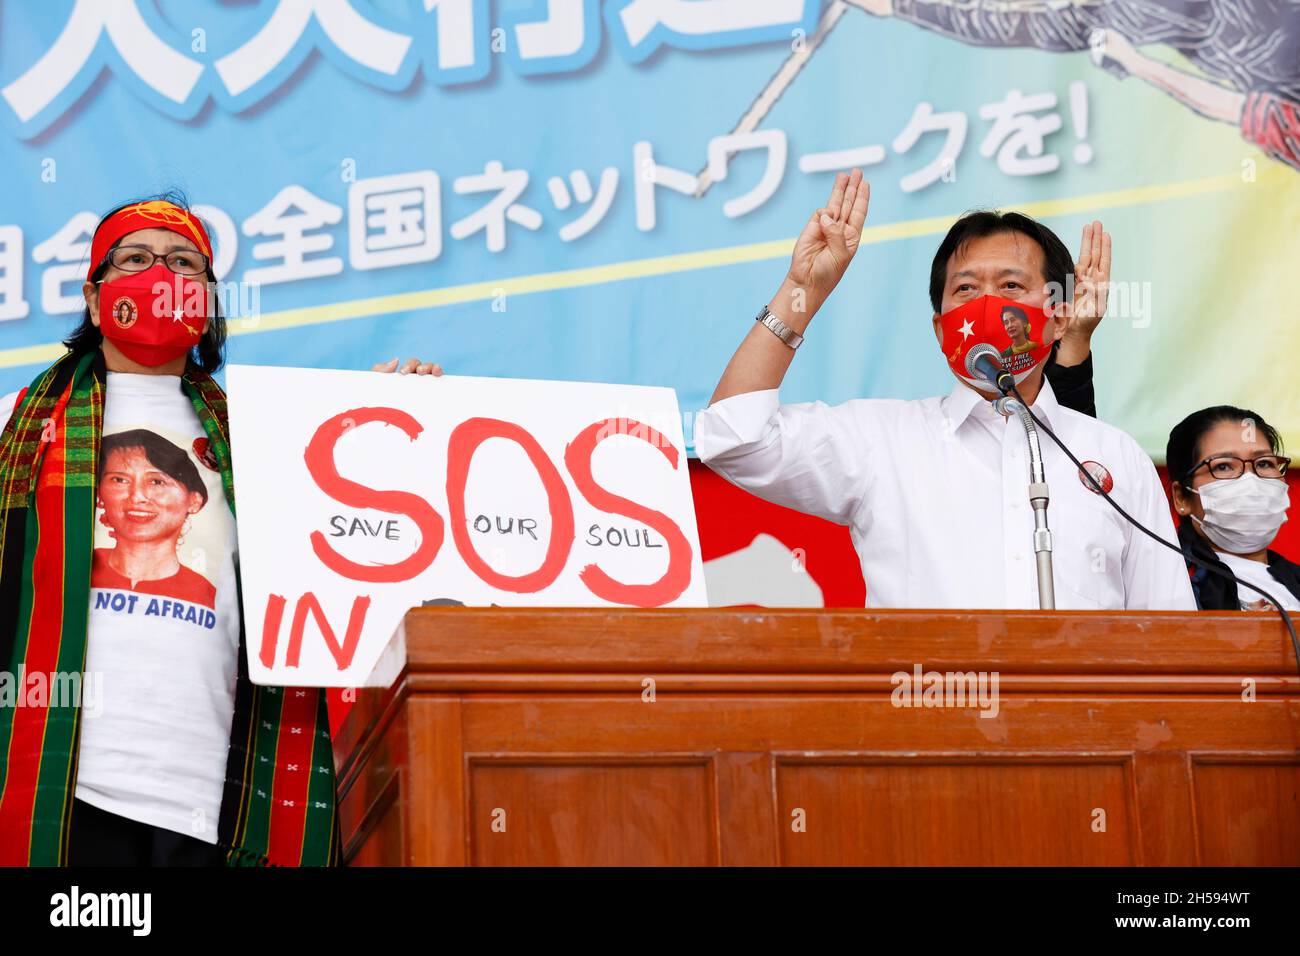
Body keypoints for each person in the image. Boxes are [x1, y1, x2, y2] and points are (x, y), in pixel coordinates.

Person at [0, 194, 441, 867]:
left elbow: (354, 543)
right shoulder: (18, 425)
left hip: (219, 802)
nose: (161, 277)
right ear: (95, 298)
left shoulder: (263, 435)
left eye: (184, 264)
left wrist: (398, 419)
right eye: (137, 260)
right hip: (66, 793)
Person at [695, 169, 1196, 610]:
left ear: (1060, 316)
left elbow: (1171, 636)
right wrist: (805, 287)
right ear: (940, 330)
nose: (986, 306)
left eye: (1011, 286)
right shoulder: (884, 440)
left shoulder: (1115, 457)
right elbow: (733, 436)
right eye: (965, 290)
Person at [1166, 406, 1299, 611]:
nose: (1251, 480)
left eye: (1264, 463)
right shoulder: (1169, 584)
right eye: (1223, 466)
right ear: (1181, 497)